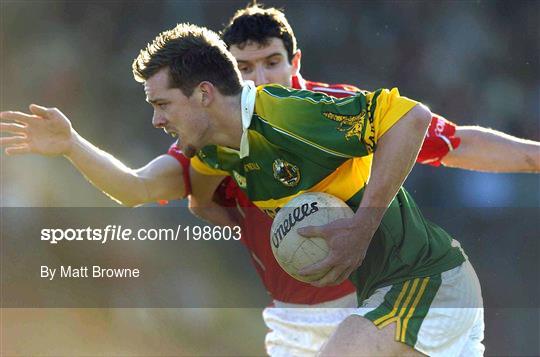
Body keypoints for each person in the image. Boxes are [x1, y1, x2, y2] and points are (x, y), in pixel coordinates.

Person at [186, 4, 540, 356]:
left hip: (377, 297)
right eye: (244, 68)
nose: (260, 79)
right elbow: (172, 189)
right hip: (294, 322)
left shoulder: (334, 109)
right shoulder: (214, 139)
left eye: (272, 62)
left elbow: (453, 143)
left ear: (295, 62)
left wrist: (534, 158)